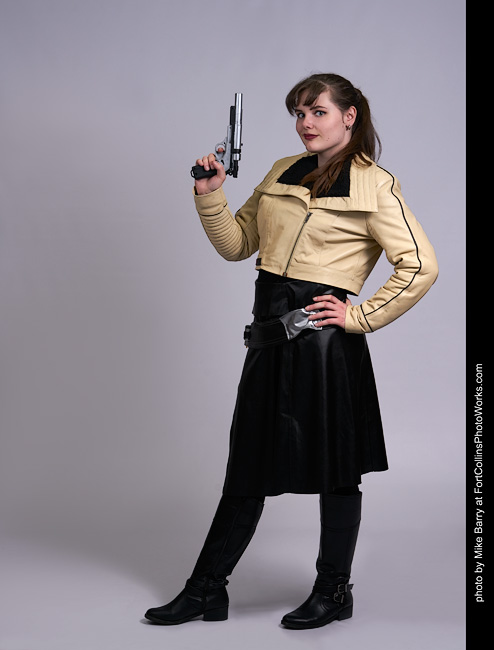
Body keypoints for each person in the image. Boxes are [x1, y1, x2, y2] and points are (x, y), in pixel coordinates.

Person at [144, 72, 438, 629]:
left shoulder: (375, 185)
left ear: (349, 116)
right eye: (298, 113)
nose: (305, 123)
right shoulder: (282, 171)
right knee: (246, 465)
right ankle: (206, 589)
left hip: (324, 347)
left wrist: (358, 317)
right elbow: (238, 245)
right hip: (267, 339)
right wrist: (210, 196)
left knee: (336, 471)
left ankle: (333, 591)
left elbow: (421, 265)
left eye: (317, 112)